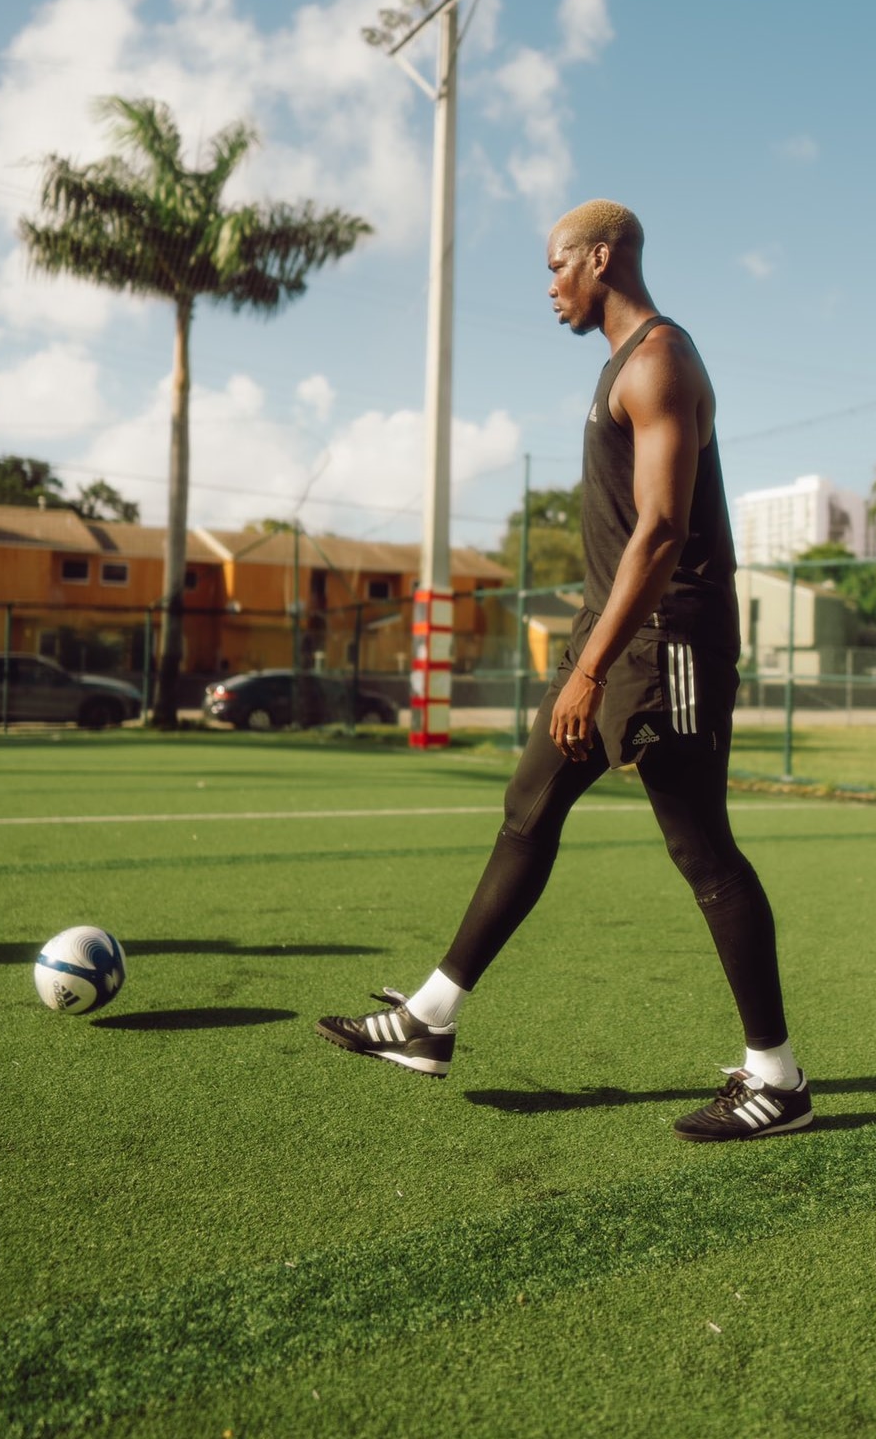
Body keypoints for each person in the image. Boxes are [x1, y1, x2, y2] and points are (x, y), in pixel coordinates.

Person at [317, 200, 810, 1141]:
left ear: (601, 256)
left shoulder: (661, 359)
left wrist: (587, 671)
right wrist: (589, 654)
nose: (550, 287)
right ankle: (430, 1019)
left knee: (702, 849)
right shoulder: (620, 367)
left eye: (557, 268)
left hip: (670, 641)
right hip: (612, 634)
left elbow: (662, 531)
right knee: (527, 807)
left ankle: (776, 1078)